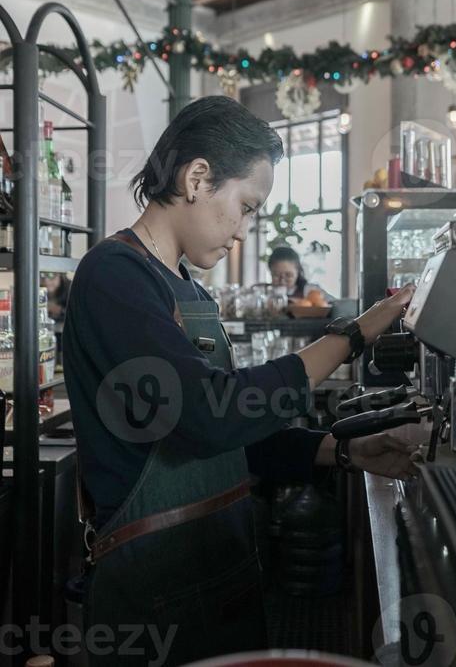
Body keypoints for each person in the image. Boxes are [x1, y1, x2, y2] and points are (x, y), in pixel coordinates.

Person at [63, 96, 416, 667]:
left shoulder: (193, 293)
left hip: (217, 567)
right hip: (154, 589)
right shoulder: (114, 276)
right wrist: (354, 335)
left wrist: (343, 450)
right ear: (198, 177)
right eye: (247, 207)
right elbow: (210, 413)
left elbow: (238, 435)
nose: (245, 232)